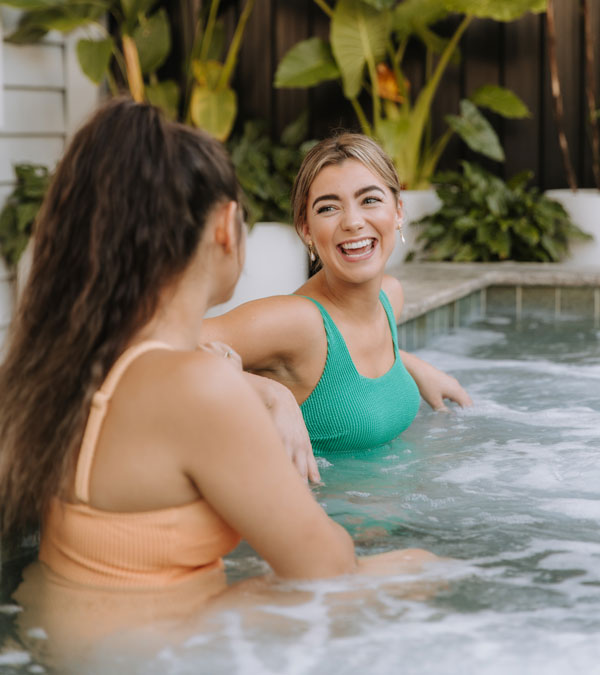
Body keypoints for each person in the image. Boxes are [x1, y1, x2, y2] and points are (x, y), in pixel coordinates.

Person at [0, 99, 436, 668]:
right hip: (149, 653)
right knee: (424, 566)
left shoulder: (66, 363)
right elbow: (326, 567)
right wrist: (256, 392)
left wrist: (266, 388)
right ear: (228, 228)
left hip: (53, 633)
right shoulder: (201, 388)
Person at [201, 133, 472, 478]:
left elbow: (343, 361)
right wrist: (270, 394)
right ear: (306, 229)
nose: (353, 222)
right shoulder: (297, 322)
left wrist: (408, 363)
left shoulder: (389, 297)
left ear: (398, 211)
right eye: (328, 208)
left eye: (370, 200)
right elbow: (140, 346)